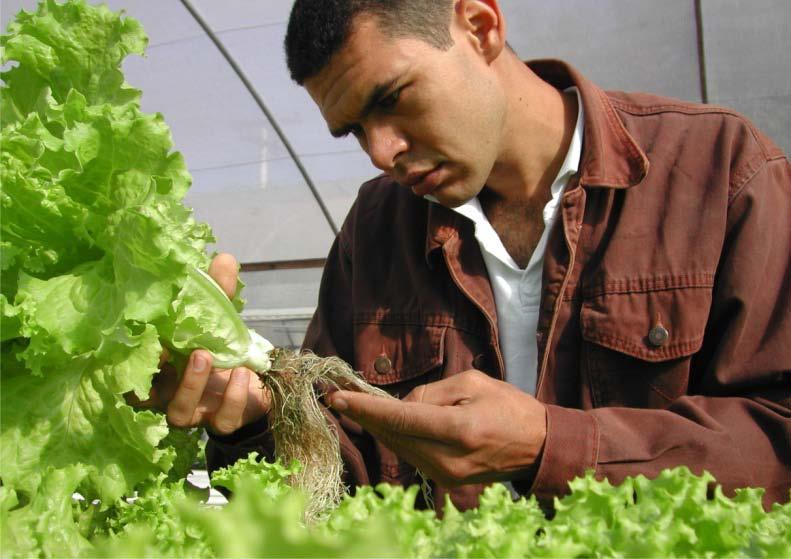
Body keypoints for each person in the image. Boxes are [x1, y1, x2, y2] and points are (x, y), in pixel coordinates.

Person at [146, 0, 791, 510]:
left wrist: (550, 446)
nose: (380, 152)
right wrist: (256, 421)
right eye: (355, 132)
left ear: (480, 26)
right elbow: (343, 472)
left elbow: (777, 437)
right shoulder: (375, 230)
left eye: (391, 99)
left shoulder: (720, 173)